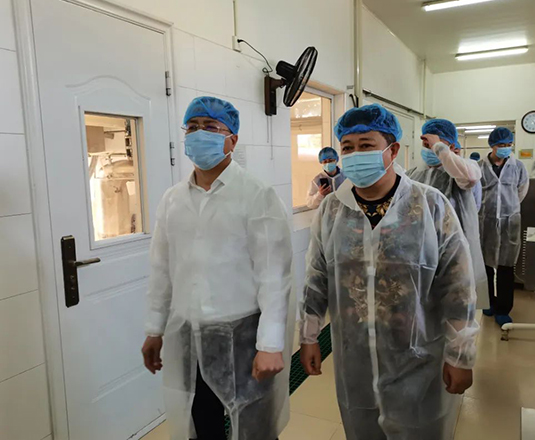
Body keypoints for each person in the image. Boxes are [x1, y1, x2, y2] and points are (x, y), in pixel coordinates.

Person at [299, 104, 479, 440]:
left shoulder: (430, 205)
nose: (355, 155)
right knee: (360, 429)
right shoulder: (331, 210)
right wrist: (309, 337)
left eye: (366, 145)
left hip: (418, 357)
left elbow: (458, 286)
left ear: (392, 150)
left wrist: (461, 355)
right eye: (347, 147)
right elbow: (316, 277)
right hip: (354, 361)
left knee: (418, 431)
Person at [141, 96, 293, 440]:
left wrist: (270, 344)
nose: (199, 134)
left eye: (211, 127)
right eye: (192, 127)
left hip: (243, 335)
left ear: (232, 140)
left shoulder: (256, 195)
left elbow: (273, 276)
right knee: (201, 422)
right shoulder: (173, 199)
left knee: (253, 425)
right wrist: (154, 328)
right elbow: (161, 269)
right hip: (187, 334)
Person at [408, 119, 488, 310]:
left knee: (454, 301)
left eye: (434, 144)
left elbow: (469, 179)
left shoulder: (465, 169)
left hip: (453, 248)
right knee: (424, 302)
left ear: (451, 147)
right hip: (421, 247)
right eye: (426, 145)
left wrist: (439, 147)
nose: (429, 149)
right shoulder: (413, 173)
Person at [479, 127, 529, 326]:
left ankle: (503, 308)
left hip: (510, 222)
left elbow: (522, 190)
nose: (506, 148)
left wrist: (509, 208)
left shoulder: (518, 166)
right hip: (486, 221)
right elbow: (474, 193)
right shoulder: (479, 166)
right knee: (486, 265)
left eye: (509, 145)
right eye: (501, 145)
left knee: (506, 267)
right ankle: (488, 302)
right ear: (492, 145)